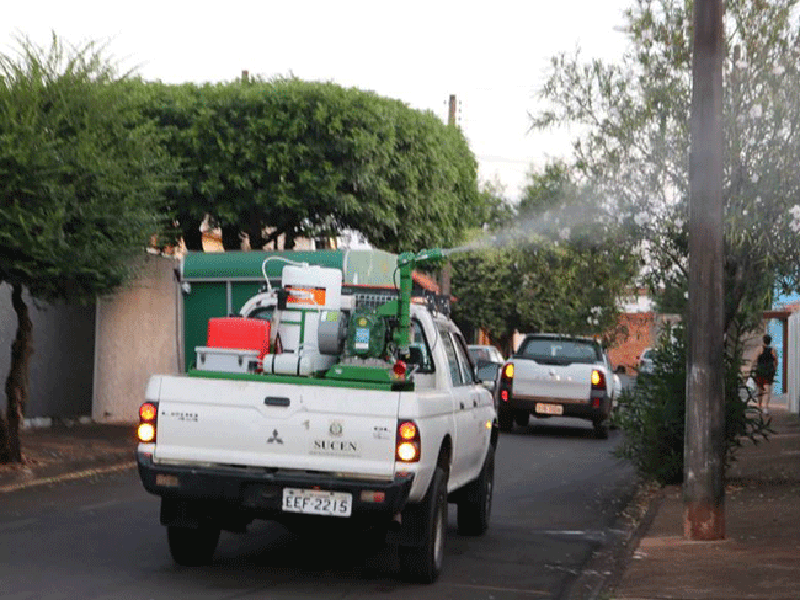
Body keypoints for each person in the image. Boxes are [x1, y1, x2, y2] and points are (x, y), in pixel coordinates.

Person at [754, 334, 778, 414]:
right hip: (769, 372)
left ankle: (759, 406)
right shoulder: (772, 350)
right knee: (767, 390)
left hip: (760, 371)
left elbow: (755, 360)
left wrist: (753, 369)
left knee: (760, 389)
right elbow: (776, 361)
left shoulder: (759, 349)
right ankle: (766, 407)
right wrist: (775, 369)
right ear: (770, 341)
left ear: (763, 340)